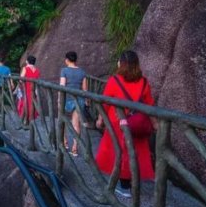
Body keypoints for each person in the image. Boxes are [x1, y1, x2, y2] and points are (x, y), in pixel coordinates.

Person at [95, 50, 156, 198]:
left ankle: (124, 186)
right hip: (136, 123)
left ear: (121, 63)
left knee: (118, 152)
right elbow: (150, 104)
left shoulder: (114, 81)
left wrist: (100, 119)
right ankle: (130, 183)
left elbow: (105, 103)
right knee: (135, 152)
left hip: (118, 123)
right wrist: (155, 124)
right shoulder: (144, 82)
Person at [59, 51, 88, 157]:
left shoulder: (64, 71)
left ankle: (65, 142)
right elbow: (85, 89)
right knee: (76, 124)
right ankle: (75, 148)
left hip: (67, 99)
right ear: (76, 60)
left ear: (67, 60)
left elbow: (62, 86)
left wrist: (59, 100)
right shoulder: (82, 72)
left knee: (64, 120)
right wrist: (86, 101)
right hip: (78, 100)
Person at [18, 55, 41, 123]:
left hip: (26, 89)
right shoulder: (37, 70)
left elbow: (21, 79)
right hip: (33, 90)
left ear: (27, 61)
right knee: (31, 104)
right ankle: (30, 120)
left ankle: (24, 120)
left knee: (25, 104)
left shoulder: (25, 68)